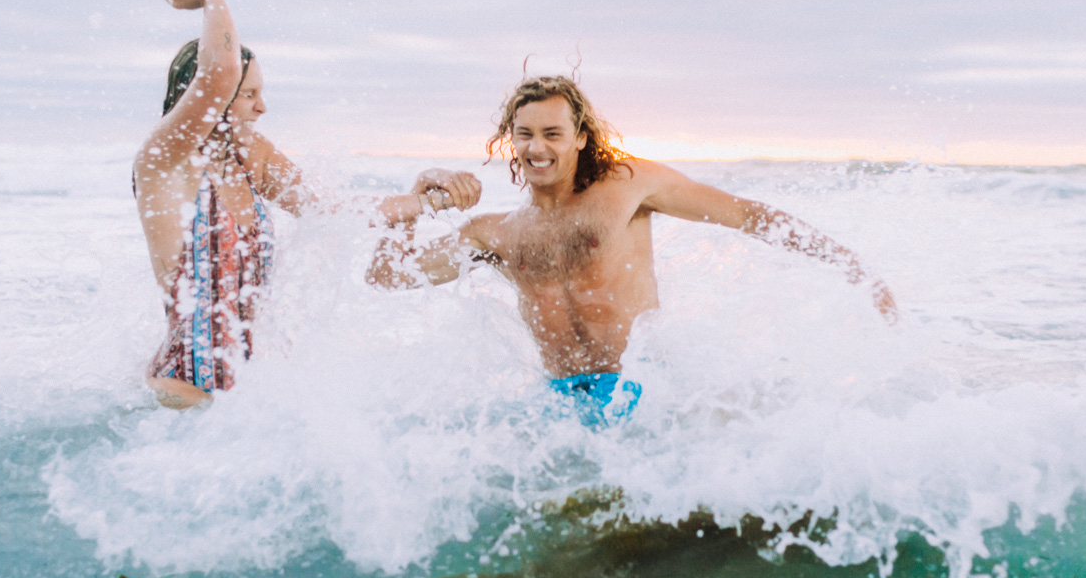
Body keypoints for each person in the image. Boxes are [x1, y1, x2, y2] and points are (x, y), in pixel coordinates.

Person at [365, 74, 896, 424]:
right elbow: (386, 276)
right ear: (511, 141)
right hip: (561, 407)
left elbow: (746, 214)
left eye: (553, 132)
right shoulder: (494, 233)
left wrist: (851, 265)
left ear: (579, 138)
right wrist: (417, 201)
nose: (537, 147)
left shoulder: (627, 186)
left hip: (645, 392)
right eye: (524, 134)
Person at [135, 0, 481, 409]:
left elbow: (333, 209)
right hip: (183, 392)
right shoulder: (163, 159)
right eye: (249, 95)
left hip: (247, 393)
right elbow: (220, 70)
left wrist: (425, 200)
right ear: (208, 100)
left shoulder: (250, 157)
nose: (263, 107)